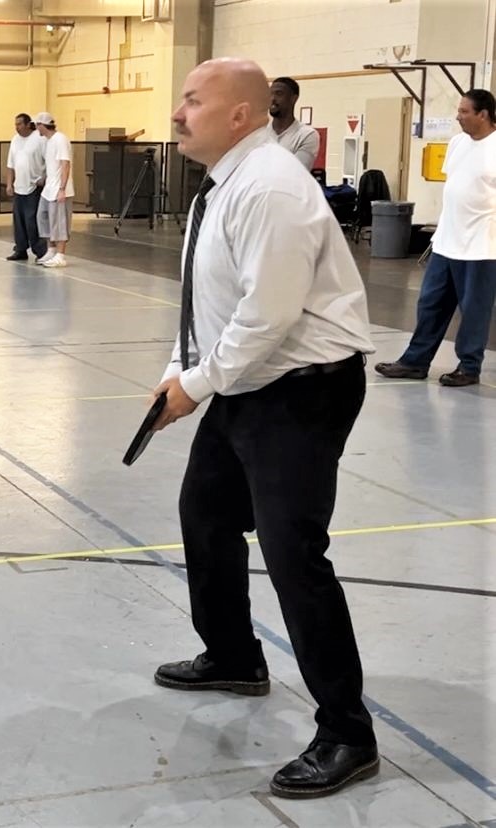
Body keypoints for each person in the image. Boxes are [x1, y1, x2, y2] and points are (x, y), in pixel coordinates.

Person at [150, 57, 378, 799]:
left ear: (240, 115)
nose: (178, 113)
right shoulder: (220, 187)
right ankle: (234, 655)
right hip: (246, 382)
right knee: (206, 517)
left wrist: (197, 384)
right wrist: (177, 368)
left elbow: (269, 316)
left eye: (192, 100)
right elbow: (209, 299)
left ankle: (348, 731)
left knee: (292, 553)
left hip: (301, 392)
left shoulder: (273, 188)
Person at [375, 89, 496, 387]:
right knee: (430, 303)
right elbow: (455, 188)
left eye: (465, 111)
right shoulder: (456, 143)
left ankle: (469, 366)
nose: (458, 116)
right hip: (446, 242)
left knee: (474, 311)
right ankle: (415, 361)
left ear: (484, 114)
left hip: (481, 245)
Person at [33, 112, 74, 268]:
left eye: (37, 125)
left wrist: (62, 189)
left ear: (43, 125)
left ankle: (61, 255)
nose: (36, 128)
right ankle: (51, 250)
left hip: (59, 189)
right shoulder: (48, 142)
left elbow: (65, 164)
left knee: (60, 221)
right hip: (48, 188)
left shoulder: (60, 140)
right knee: (42, 217)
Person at [6, 113, 47, 262]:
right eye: (15, 124)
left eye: (19, 124)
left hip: (34, 187)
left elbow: (48, 159)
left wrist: (44, 178)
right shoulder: (15, 141)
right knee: (19, 221)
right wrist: (9, 183)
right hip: (19, 187)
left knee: (33, 220)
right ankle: (20, 249)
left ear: (28, 124)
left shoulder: (39, 139)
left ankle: (40, 251)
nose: (17, 127)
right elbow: (10, 164)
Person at [268, 76, 320, 170]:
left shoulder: (306, 135)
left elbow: (295, 172)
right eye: (270, 94)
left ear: (293, 99)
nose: (272, 99)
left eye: (279, 94)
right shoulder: (259, 132)